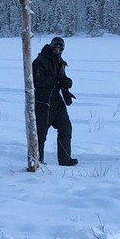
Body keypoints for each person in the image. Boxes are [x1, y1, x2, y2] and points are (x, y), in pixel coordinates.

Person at [32, 36, 78, 166]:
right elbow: (37, 81)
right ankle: (36, 160)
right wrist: (55, 81)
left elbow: (61, 78)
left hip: (56, 100)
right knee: (40, 132)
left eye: (60, 48)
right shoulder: (39, 61)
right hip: (42, 101)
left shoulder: (60, 62)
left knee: (65, 126)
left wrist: (66, 85)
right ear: (51, 46)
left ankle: (64, 158)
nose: (58, 50)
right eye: (56, 47)